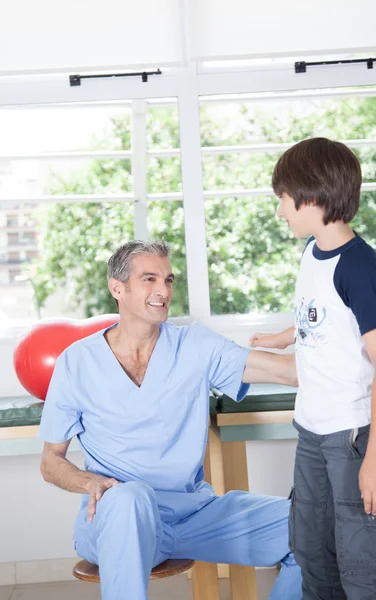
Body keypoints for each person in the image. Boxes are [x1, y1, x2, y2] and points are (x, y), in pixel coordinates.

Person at [39, 240, 302, 600]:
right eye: (149, 279)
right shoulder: (76, 362)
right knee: (129, 497)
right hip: (116, 520)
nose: (163, 290)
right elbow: (50, 460)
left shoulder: (194, 345)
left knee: (316, 528)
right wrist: (90, 483)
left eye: (169, 279)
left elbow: (287, 372)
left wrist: (355, 348)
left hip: (193, 515)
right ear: (118, 287)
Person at [251, 138, 376, 600]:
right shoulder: (311, 252)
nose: (280, 210)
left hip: (350, 437)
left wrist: (374, 461)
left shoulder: (361, 267)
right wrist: (280, 338)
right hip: (311, 431)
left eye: (283, 198)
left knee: (360, 563)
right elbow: (317, 315)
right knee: (310, 551)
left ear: (313, 196)